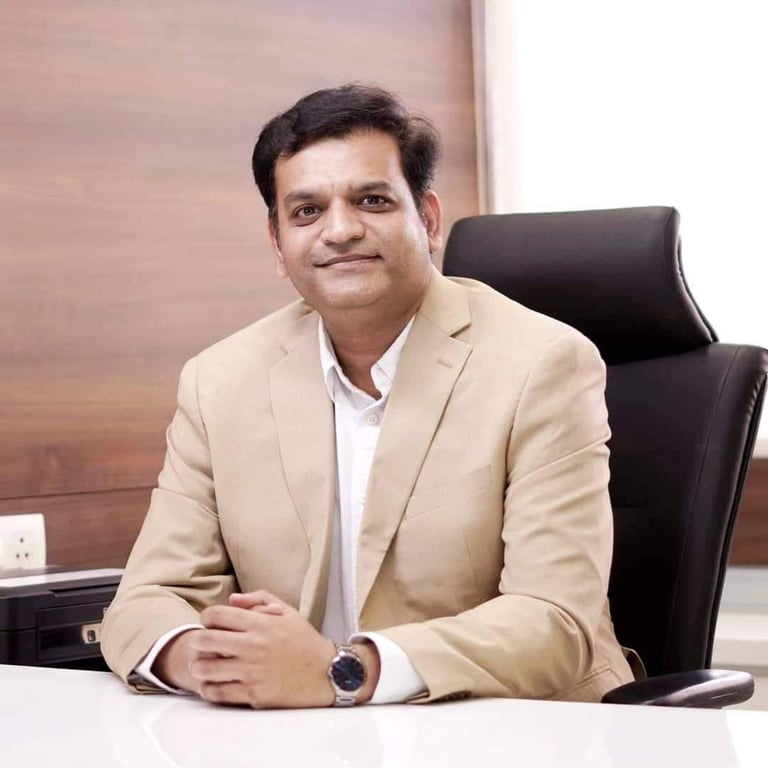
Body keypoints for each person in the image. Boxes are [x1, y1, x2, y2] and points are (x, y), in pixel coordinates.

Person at [101, 84, 638, 708]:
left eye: (372, 200)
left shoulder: (541, 364)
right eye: (306, 212)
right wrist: (207, 660)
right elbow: (144, 599)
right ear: (278, 244)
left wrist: (341, 672)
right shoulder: (219, 380)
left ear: (428, 219)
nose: (341, 230)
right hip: (298, 736)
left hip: (514, 730)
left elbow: (555, 622)